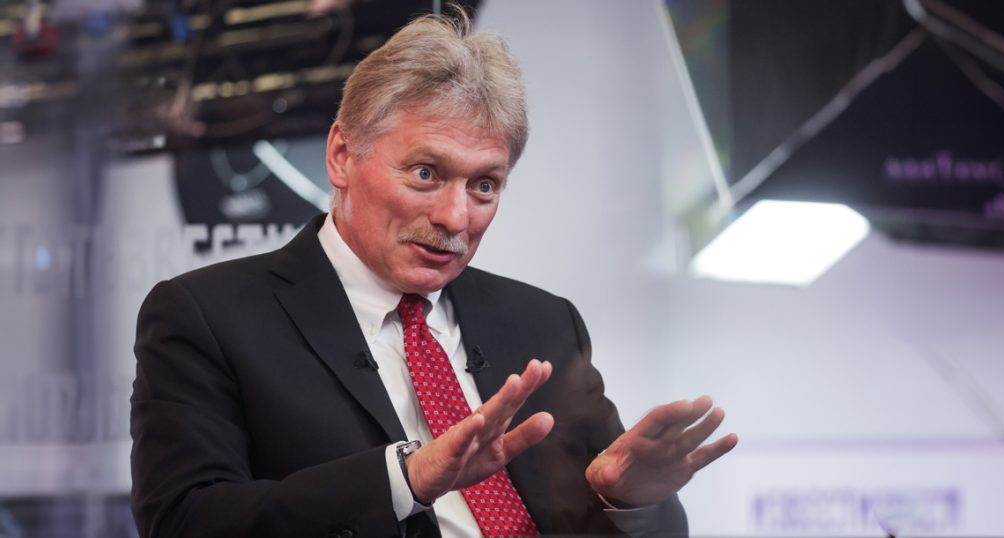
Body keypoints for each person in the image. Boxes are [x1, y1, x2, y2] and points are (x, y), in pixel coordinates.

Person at [130, 7, 737, 538]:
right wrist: (407, 480)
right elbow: (185, 521)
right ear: (342, 155)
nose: (455, 217)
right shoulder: (209, 317)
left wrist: (627, 500)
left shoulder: (545, 323)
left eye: (484, 185)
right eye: (426, 174)